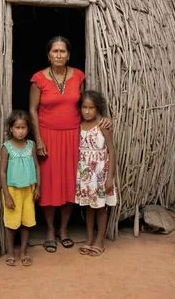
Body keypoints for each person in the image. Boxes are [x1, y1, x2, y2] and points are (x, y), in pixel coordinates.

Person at [29, 36, 85, 252]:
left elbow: (85, 105)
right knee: (50, 185)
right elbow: (33, 109)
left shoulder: (79, 76)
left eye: (63, 51)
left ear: (69, 54)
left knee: (70, 183)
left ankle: (64, 230)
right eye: (55, 51)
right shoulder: (38, 79)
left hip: (72, 136)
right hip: (48, 136)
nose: (59, 55)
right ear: (48, 54)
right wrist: (39, 138)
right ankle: (50, 230)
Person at [76, 90, 117, 256]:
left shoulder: (103, 126)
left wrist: (110, 178)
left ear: (97, 108)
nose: (87, 111)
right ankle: (89, 239)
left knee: (101, 208)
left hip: (100, 173)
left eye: (91, 108)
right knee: (88, 206)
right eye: (84, 107)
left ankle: (100, 240)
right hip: (85, 173)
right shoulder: (78, 125)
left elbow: (112, 151)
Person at [0, 110, 40, 266]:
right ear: (11, 129)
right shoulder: (7, 147)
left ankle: (23, 252)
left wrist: (38, 187)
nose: (20, 131)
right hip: (13, 190)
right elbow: (2, 172)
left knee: (26, 222)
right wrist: (7, 195)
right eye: (17, 127)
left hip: (28, 190)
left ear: (28, 129)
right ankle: (10, 253)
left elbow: (37, 166)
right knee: (11, 223)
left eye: (23, 128)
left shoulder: (31, 145)